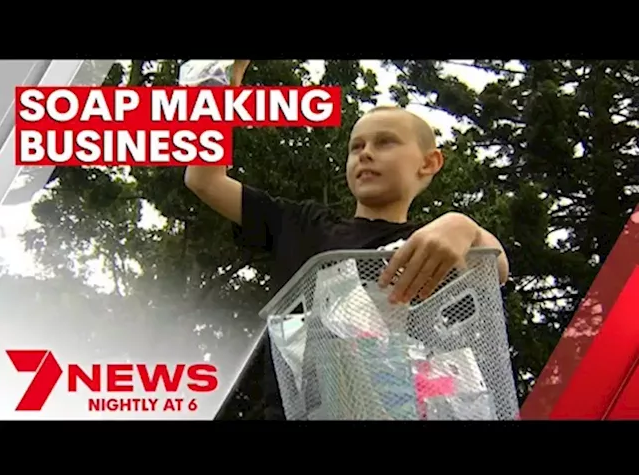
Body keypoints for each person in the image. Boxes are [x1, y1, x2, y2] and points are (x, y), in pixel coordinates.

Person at [185, 60, 510, 420]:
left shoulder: (432, 245)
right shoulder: (302, 224)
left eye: (385, 142)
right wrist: (213, 87)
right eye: (356, 147)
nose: (365, 153)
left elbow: (493, 270)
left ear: (430, 162)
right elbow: (205, 181)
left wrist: (462, 226)